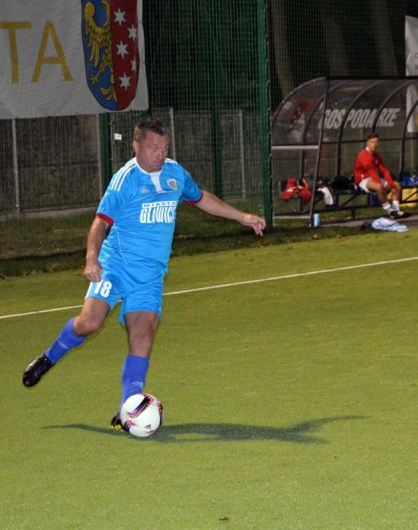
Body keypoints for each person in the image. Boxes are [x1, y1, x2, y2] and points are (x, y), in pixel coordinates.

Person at [22, 116, 266, 432]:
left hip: (149, 276)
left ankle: (128, 407)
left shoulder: (175, 173)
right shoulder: (125, 180)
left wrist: (242, 216)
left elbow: (200, 198)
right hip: (115, 267)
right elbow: (100, 223)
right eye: (153, 148)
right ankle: (49, 357)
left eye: (165, 148)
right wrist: (91, 259)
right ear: (136, 146)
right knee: (89, 323)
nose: (160, 155)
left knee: (143, 336)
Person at [353, 133, 409, 220]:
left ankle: (396, 210)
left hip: (373, 177)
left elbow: (384, 170)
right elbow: (371, 171)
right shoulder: (363, 155)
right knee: (379, 186)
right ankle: (390, 211)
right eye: (372, 142)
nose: (374, 144)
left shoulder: (376, 155)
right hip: (363, 179)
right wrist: (381, 185)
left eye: (376, 142)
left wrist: (391, 184)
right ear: (367, 143)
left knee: (396, 185)